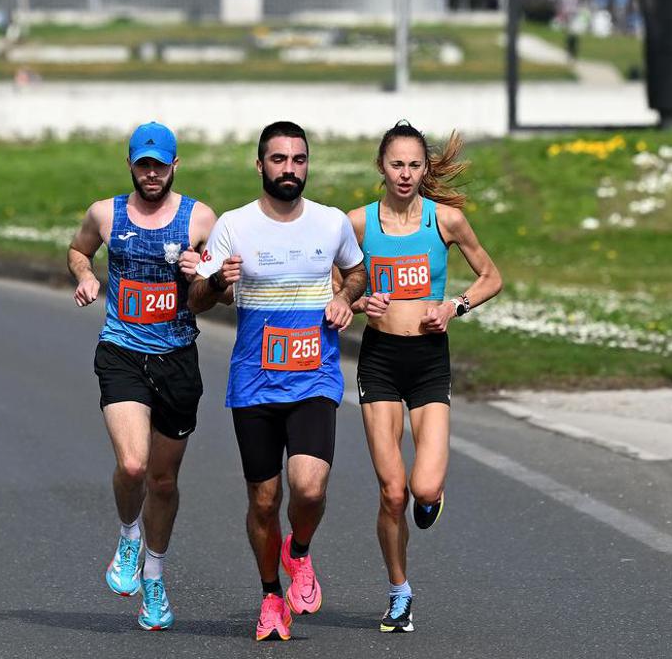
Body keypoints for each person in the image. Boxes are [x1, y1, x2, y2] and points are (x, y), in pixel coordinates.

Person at [189, 120, 368, 642]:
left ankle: (300, 551)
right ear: (260, 164)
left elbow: (357, 272)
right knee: (264, 502)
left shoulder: (331, 222)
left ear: (307, 164)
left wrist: (344, 298)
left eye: (298, 160)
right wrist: (219, 282)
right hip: (254, 383)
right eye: (279, 159)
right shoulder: (234, 225)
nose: (289, 169)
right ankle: (270, 595)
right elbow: (197, 299)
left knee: (308, 489)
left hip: (315, 377)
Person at [348, 122, 501, 633]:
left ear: (425, 168)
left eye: (415, 165)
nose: (406, 174)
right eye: (397, 164)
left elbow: (491, 277)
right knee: (392, 492)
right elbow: (335, 284)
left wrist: (453, 306)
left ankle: (430, 497)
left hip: (430, 362)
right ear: (381, 167)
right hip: (380, 362)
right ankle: (399, 591)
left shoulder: (447, 222)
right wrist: (356, 298)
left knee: (423, 487)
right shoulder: (359, 225)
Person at [67, 122, 218, 631]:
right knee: (133, 466)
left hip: (177, 358)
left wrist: (203, 275)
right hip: (122, 351)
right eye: (142, 164)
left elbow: (213, 295)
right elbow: (78, 250)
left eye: (160, 164)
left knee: (164, 480)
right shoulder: (104, 213)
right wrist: (87, 274)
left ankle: (154, 575)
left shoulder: (199, 218)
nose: (150, 173)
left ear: (176, 165)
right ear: (129, 164)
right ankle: (128, 535)